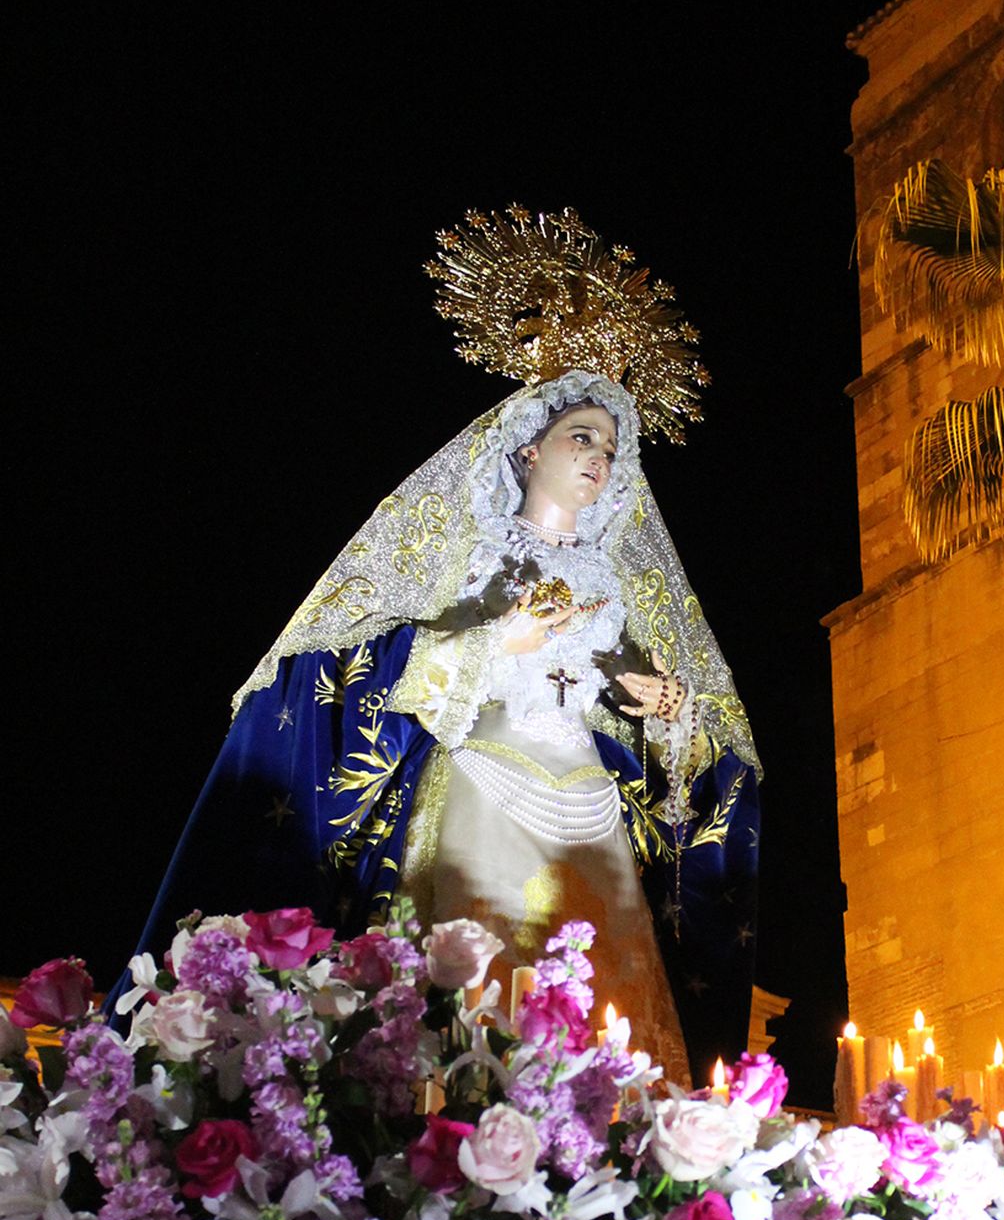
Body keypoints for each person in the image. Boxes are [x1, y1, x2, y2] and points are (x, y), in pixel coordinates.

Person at [125, 211, 760, 1076]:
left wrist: (660, 706)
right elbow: (397, 662)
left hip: (587, 802)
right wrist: (503, 636)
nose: (600, 461)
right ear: (529, 446)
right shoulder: (475, 550)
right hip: (485, 773)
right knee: (484, 969)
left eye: (611, 449)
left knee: (600, 1001)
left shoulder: (614, 588)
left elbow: (642, 726)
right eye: (582, 438)